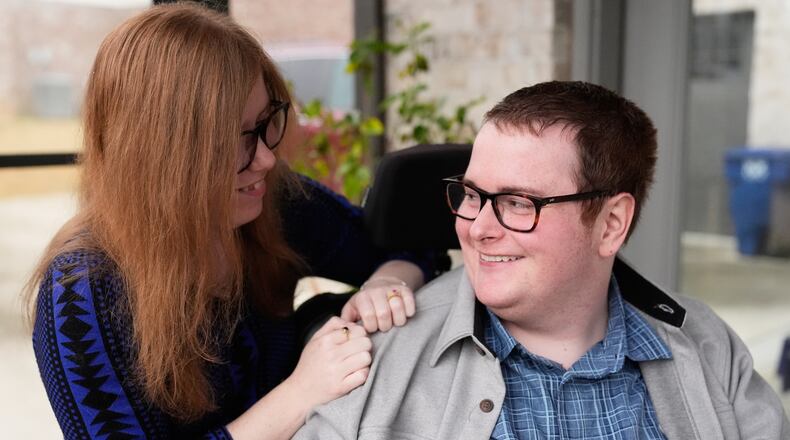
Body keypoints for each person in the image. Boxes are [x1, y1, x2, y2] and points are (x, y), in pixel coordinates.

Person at [294, 81, 790, 439]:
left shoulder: (708, 348)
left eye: (517, 203)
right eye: (472, 195)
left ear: (611, 224)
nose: (477, 227)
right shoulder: (376, 359)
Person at [25, 3, 431, 439]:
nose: (266, 159)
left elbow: (410, 246)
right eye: (235, 139)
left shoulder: (271, 200)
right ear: (159, 155)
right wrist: (300, 392)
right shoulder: (81, 296)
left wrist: (386, 285)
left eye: (264, 123)